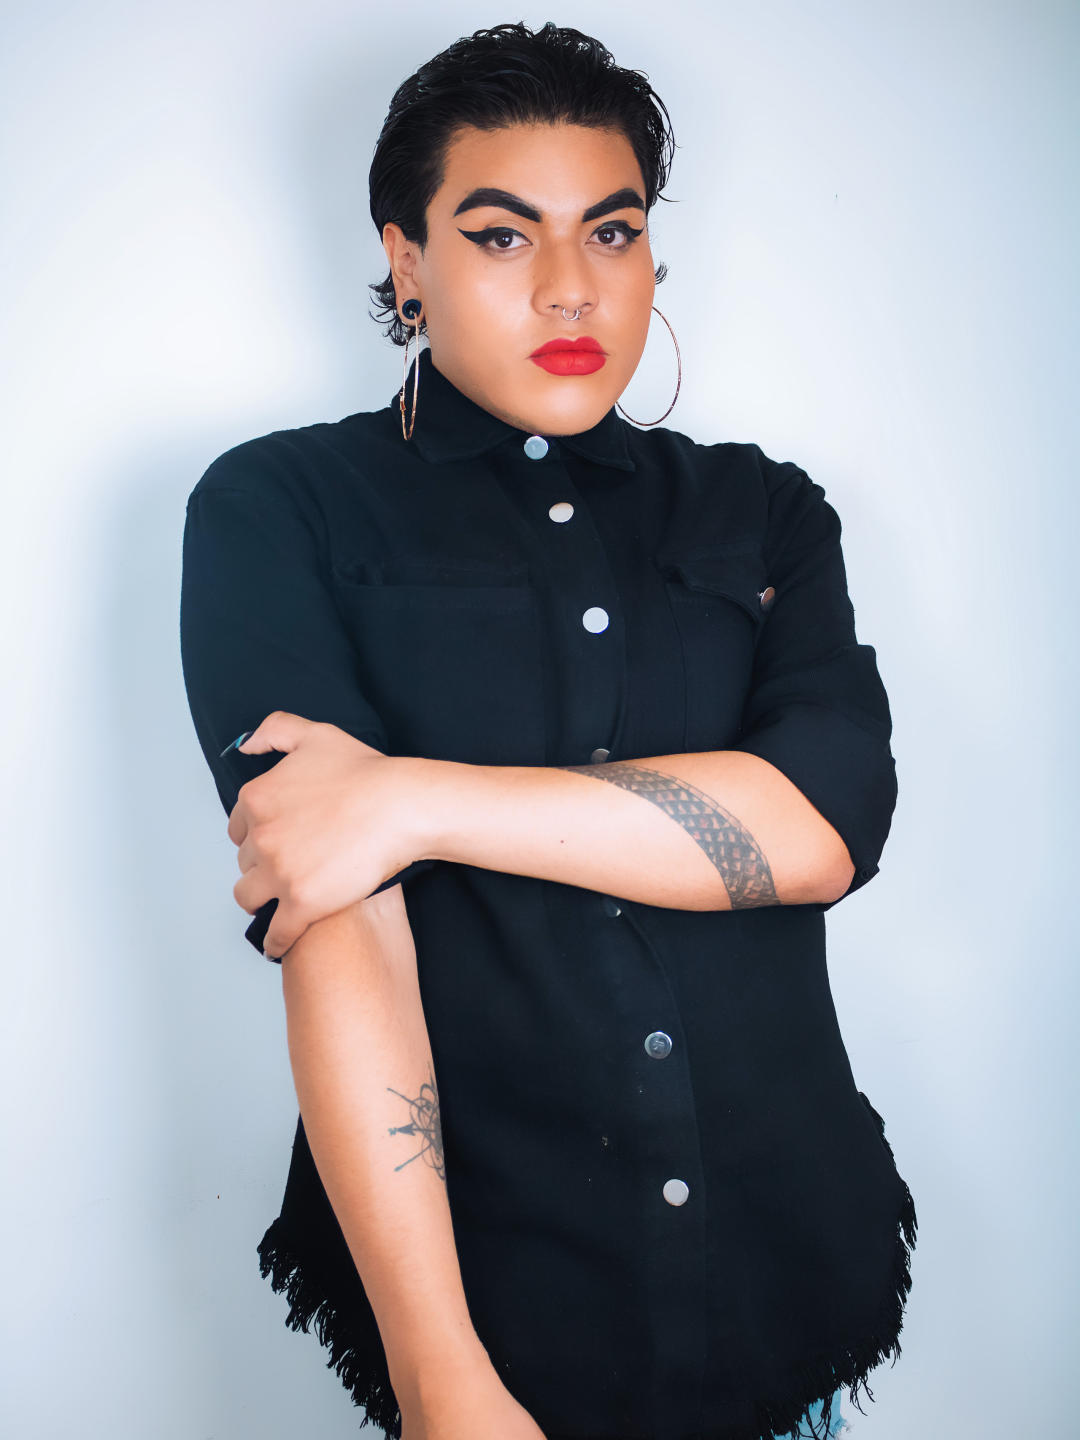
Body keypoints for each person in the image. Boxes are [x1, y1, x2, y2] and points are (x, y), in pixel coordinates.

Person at [179, 21, 916, 1440]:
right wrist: (440, 1375)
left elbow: (819, 827)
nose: (572, 286)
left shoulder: (764, 510)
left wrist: (410, 799)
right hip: (498, 1319)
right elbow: (334, 906)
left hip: (782, 1274)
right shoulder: (284, 509)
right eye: (503, 235)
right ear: (406, 258)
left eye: (613, 231)